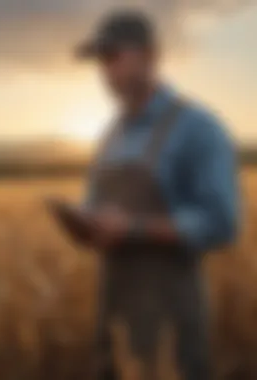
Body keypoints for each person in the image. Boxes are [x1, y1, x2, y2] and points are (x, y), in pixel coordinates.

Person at [74, 9, 240, 380]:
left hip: (172, 324)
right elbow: (94, 203)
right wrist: (84, 222)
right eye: (101, 61)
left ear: (150, 55)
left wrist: (133, 228)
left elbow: (222, 223)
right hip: (113, 314)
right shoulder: (110, 135)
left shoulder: (198, 129)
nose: (106, 71)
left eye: (114, 56)